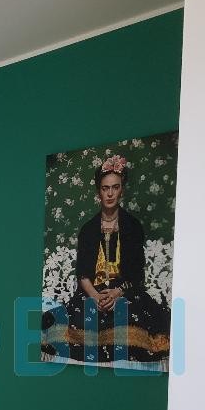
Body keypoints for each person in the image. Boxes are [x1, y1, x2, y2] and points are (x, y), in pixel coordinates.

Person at [42, 155, 170, 367]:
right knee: (69, 325)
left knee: (132, 323)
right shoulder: (88, 229)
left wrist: (116, 293)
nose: (110, 193)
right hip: (92, 293)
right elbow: (82, 274)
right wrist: (95, 296)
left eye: (115, 187)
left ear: (122, 190)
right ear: (98, 192)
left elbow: (137, 274)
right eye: (105, 188)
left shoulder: (133, 226)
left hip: (124, 292)